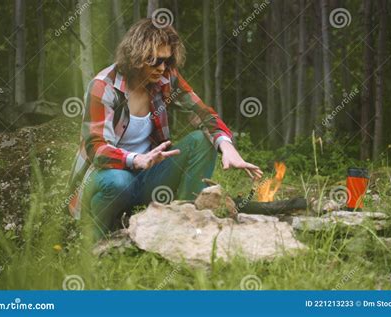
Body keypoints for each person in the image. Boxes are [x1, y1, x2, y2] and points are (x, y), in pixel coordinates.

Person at [66, 18, 263, 239]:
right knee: (119, 181)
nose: (162, 68)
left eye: (167, 61)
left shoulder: (165, 78)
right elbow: (97, 149)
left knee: (201, 141)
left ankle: (185, 227)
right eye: (155, 61)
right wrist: (136, 160)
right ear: (135, 57)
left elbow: (202, 113)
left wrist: (226, 146)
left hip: (149, 175)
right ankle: (93, 239)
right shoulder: (104, 86)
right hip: (110, 176)